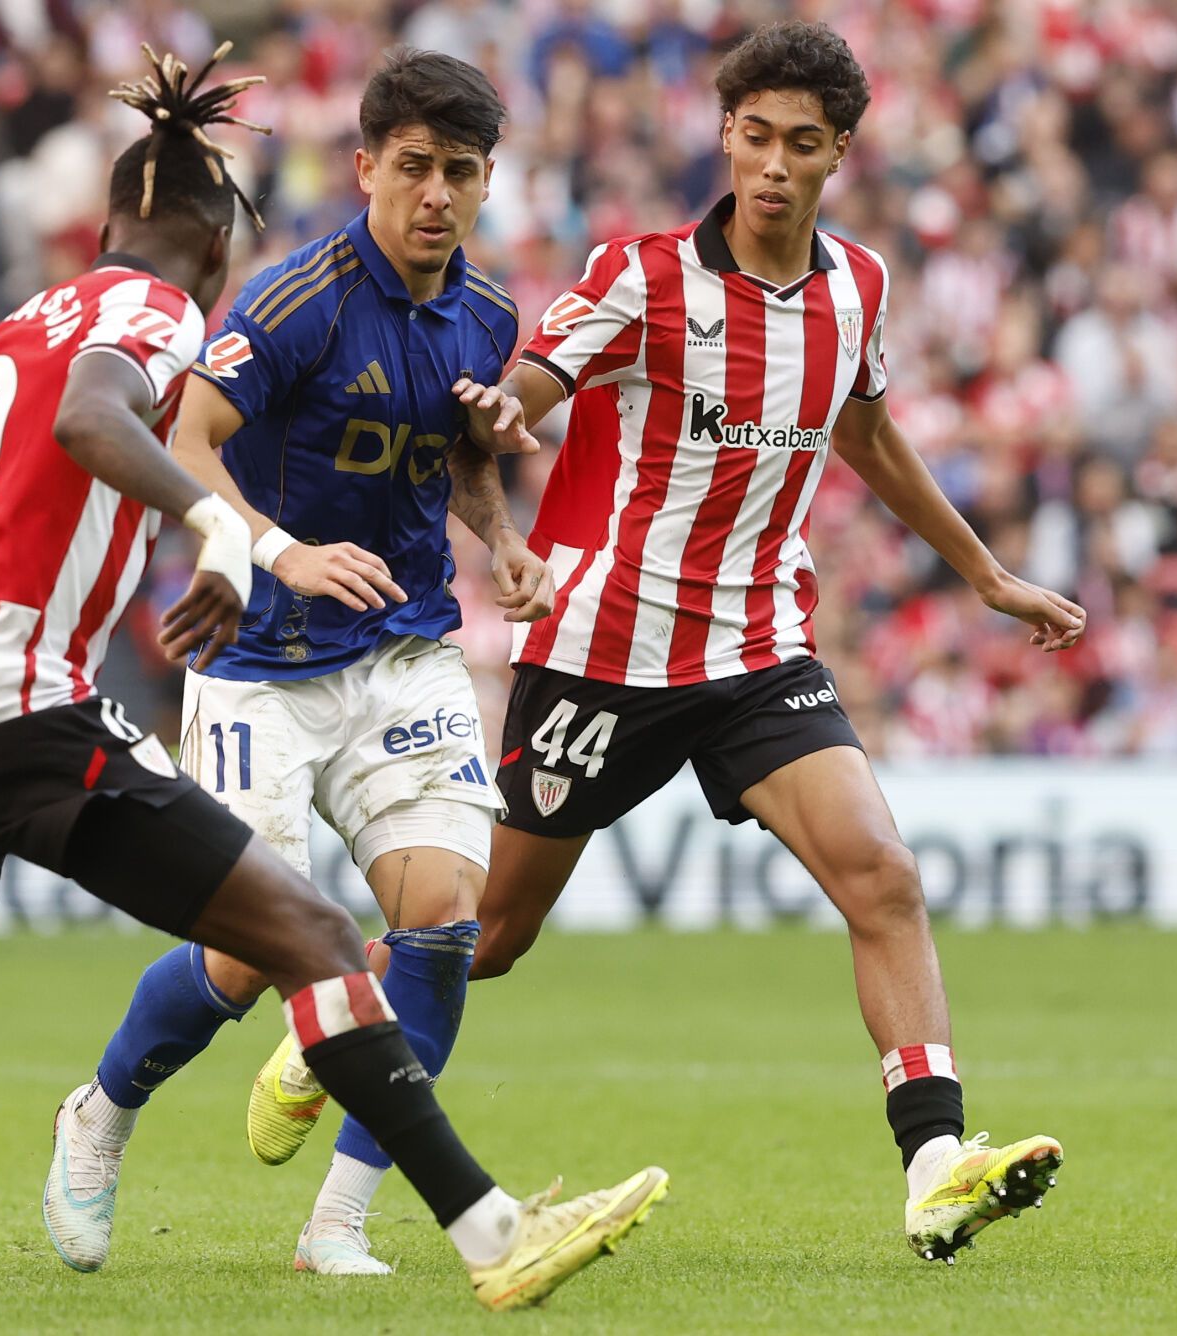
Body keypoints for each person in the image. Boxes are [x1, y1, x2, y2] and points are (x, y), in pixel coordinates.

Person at [0, 47, 666, 1312]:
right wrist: (231, 535)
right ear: (207, 248)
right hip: (4, 695)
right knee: (309, 936)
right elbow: (97, 421)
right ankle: (487, 1232)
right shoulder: (154, 314)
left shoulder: (22, 320)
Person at [448, 21, 1078, 1263]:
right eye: (752, 138)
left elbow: (870, 435)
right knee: (490, 939)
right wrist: (501, 413)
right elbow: (532, 382)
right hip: (600, 652)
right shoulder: (639, 276)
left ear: (838, 152)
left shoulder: (858, 288)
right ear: (723, 137)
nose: (773, 165)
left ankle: (935, 1162)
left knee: (880, 875)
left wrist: (988, 576)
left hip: (753, 647)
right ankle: (321, 999)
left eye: (801, 143)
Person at [42, 48, 577, 1279]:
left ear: (485, 180)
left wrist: (499, 538)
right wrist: (282, 551)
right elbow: (190, 436)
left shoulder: (488, 313)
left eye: (455, 171)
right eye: (409, 168)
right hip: (261, 662)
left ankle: (336, 1220)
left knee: (442, 925)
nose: (432, 193)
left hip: (402, 652)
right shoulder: (295, 300)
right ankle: (101, 1110)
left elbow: (461, 447)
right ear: (363, 170)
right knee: (245, 953)